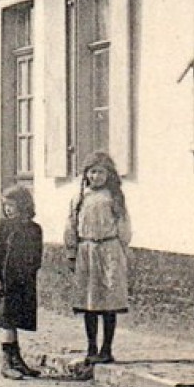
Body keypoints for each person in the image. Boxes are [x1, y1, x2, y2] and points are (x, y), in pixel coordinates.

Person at [65, 151, 132, 364]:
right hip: (86, 251)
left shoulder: (114, 197)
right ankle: (91, 347)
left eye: (101, 172)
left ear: (108, 174)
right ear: (86, 174)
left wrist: (122, 248)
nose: (96, 177)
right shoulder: (79, 198)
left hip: (109, 250)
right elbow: (71, 225)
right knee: (89, 302)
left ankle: (107, 348)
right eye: (92, 172)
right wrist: (71, 251)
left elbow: (124, 224)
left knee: (108, 301)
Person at [0, 184, 43, 380]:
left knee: (16, 318)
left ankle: (17, 360)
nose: (8, 209)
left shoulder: (34, 229)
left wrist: (30, 273)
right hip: (5, 279)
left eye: (12, 204)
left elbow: (36, 255)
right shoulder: (3, 225)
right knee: (7, 319)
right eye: (5, 205)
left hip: (23, 280)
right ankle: (7, 362)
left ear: (24, 205)